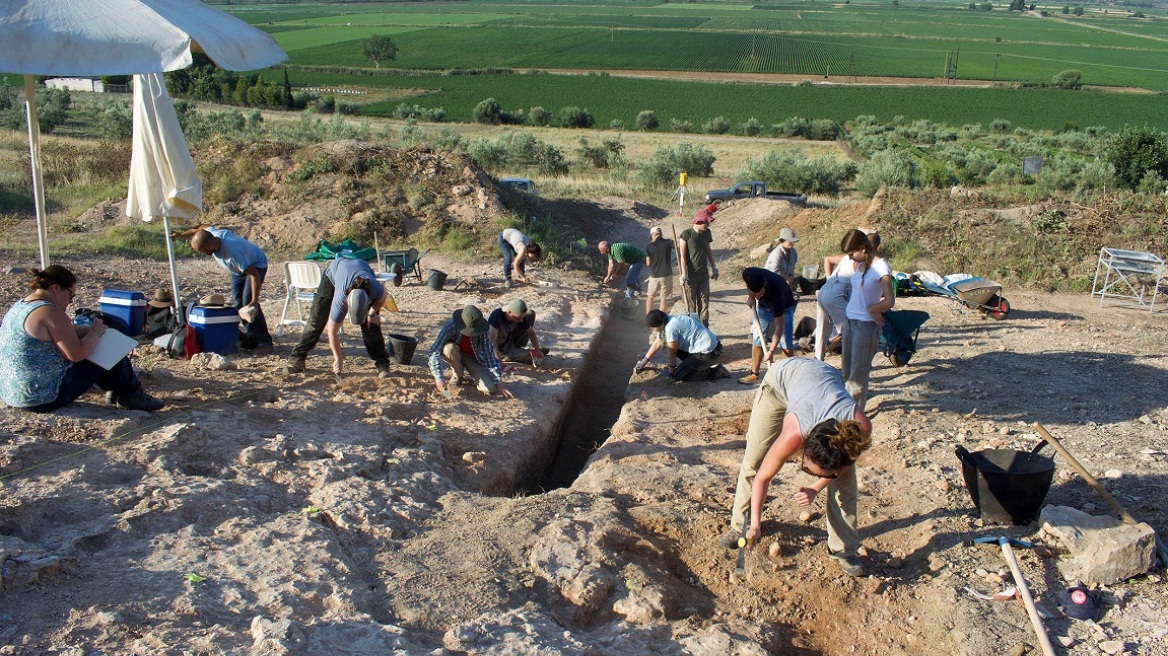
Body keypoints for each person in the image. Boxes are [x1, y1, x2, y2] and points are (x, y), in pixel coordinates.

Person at [723, 357, 872, 577]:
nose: (810, 475)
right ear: (804, 447)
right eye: (808, 469)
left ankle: (843, 550)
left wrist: (816, 487)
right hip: (780, 381)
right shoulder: (795, 432)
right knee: (754, 460)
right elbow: (762, 477)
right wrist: (755, 524)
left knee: (846, 486)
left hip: (822, 377)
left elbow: (844, 468)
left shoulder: (858, 429)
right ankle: (739, 525)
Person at [0, 266, 164, 412]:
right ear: (56, 288)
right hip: (42, 397)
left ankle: (117, 391)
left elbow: (65, 331)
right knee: (105, 347)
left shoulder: (22, 306)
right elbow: (76, 354)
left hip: (13, 393)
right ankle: (130, 394)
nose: (70, 301)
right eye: (70, 295)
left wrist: (96, 331)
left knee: (102, 339)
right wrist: (94, 334)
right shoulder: (51, 312)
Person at [172, 224, 274, 355]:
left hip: (255, 265)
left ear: (208, 246)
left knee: (247, 302)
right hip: (238, 269)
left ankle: (264, 342)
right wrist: (181, 235)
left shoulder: (233, 252)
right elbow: (200, 228)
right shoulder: (210, 233)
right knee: (237, 303)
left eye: (202, 251)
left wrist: (254, 301)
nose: (203, 254)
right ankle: (251, 337)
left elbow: (253, 274)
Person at [283, 258, 392, 377]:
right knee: (317, 318)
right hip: (333, 273)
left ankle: (382, 363)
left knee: (372, 323)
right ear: (346, 302)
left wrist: (371, 313)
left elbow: (382, 299)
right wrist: (338, 358)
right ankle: (297, 358)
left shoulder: (375, 288)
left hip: (362, 266)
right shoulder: (341, 301)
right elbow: (332, 331)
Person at [840, 228, 894, 412]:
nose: (850, 258)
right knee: (846, 373)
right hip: (850, 322)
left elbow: (889, 300)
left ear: (863, 248)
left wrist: (872, 309)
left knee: (857, 377)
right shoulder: (862, 265)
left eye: (851, 254)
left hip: (865, 327)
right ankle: (848, 412)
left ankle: (853, 421)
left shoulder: (881, 268)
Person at [815, 232, 880, 360]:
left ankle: (818, 361)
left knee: (822, 329)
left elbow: (827, 259)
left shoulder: (848, 256)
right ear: (876, 248)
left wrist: (829, 281)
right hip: (838, 292)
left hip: (824, 290)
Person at [429, 305, 514, 398]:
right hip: (454, 352)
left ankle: (473, 375)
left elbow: (489, 357)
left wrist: (499, 383)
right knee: (449, 349)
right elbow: (434, 352)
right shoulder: (451, 326)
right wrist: (439, 379)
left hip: (473, 357)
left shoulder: (483, 329)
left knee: (491, 388)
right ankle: (458, 375)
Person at [738, 267, 797, 385]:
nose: (758, 298)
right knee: (757, 338)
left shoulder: (776, 296)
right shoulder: (748, 274)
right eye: (755, 295)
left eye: (760, 294)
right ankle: (754, 374)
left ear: (764, 285)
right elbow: (749, 285)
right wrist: (751, 296)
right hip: (764, 307)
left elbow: (779, 328)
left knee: (786, 342)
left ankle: (784, 379)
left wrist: (771, 351)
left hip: (785, 306)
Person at [635, 310, 726, 382]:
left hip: (709, 354)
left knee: (679, 375)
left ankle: (715, 372)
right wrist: (645, 360)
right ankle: (693, 365)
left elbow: (672, 353)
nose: (654, 331)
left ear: (660, 324)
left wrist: (671, 372)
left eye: (654, 328)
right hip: (708, 348)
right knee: (670, 345)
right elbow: (658, 342)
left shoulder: (670, 328)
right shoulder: (668, 320)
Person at [677, 211, 718, 326]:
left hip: (703, 274)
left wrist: (713, 266)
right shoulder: (686, 234)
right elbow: (683, 256)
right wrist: (684, 273)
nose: (708, 225)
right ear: (699, 221)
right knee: (691, 306)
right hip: (690, 276)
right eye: (707, 222)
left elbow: (708, 250)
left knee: (704, 304)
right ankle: (694, 329)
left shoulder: (707, 233)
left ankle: (704, 328)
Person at [488, 299, 547, 367]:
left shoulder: (519, 317)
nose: (521, 321)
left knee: (530, 313)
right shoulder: (497, 316)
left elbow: (531, 333)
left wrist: (537, 349)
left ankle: (519, 348)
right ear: (509, 312)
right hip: (499, 348)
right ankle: (507, 356)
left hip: (509, 339)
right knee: (530, 357)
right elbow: (491, 340)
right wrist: (498, 361)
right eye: (519, 318)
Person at [644, 226, 674, 315]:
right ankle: (660, 319)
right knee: (663, 298)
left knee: (650, 296)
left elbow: (648, 264)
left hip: (654, 275)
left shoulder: (649, 246)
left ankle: (648, 316)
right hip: (666, 274)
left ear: (652, 235)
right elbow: (679, 246)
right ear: (660, 234)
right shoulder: (668, 242)